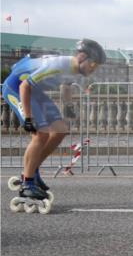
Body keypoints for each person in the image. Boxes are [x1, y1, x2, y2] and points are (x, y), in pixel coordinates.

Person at [3, 38, 106, 202]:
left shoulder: (74, 70)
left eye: (97, 67)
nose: (93, 69)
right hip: (16, 88)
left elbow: (66, 86)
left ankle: (32, 169)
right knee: (40, 134)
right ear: (82, 57)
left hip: (34, 91)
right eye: (93, 64)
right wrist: (29, 118)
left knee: (60, 129)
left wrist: (69, 107)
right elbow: (24, 86)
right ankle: (27, 184)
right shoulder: (59, 65)